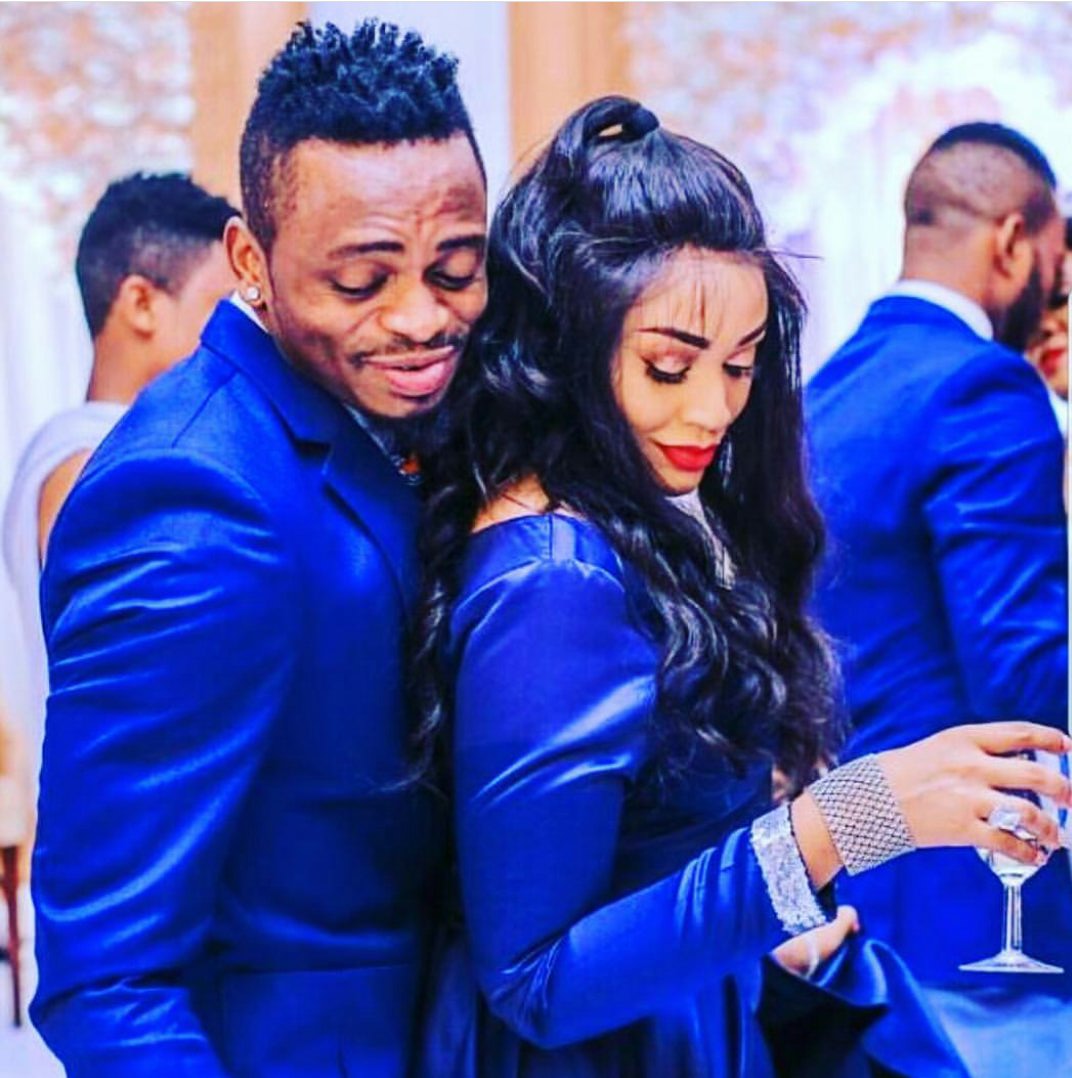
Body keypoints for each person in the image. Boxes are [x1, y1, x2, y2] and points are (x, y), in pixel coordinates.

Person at [411, 96, 1072, 1078]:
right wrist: (846, 819)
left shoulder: (634, 522)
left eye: (740, 366)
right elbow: (538, 979)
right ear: (569, 346)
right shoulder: (555, 578)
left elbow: (648, 871)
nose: (712, 408)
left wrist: (769, 929)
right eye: (668, 366)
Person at [31, 20, 487, 1076]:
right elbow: (107, 979)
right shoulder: (190, 499)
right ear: (250, 261)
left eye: (456, 268)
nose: (422, 317)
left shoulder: (389, 411)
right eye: (363, 281)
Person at [806, 123, 1072, 1074]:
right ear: (1013, 242)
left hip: (858, 894)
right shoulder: (981, 387)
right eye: (1057, 264)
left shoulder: (823, 391)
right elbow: (1028, 672)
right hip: (989, 919)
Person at [2, 171, 236, 795]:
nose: (239, 337)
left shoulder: (89, 449)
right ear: (141, 303)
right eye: (222, 307)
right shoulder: (88, 459)